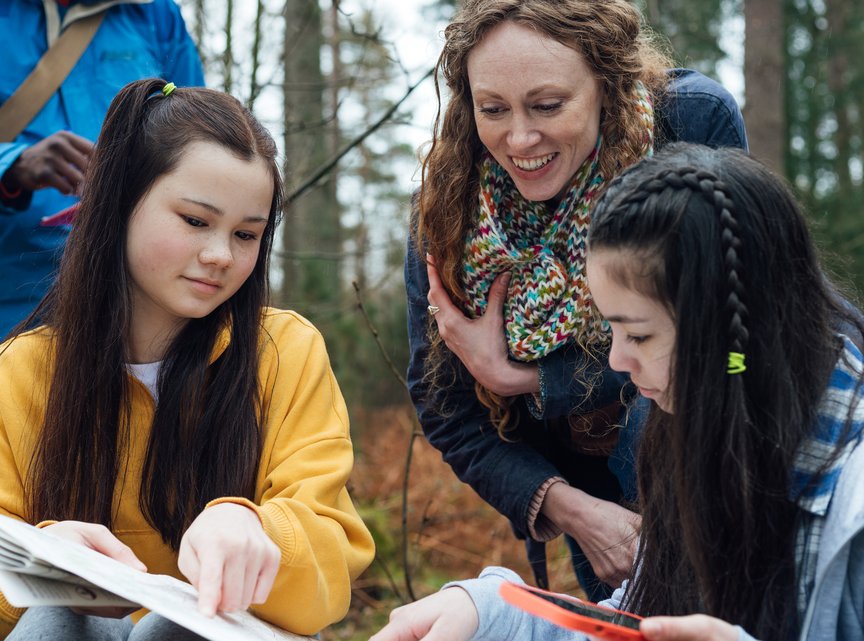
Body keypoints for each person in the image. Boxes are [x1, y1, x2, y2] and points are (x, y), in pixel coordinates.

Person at [377, 142, 864, 641]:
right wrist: (491, 612)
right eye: (611, 329)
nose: (615, 361)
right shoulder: (709, 432)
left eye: (640, 333)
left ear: (734, 331)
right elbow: (632, 622)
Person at [0, 79, 375, 640]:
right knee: (57, 620)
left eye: (247, 234)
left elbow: (330, 545)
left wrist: (259, 529)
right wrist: (37, 568)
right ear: (120, 203)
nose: (221, 255)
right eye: (196, 221)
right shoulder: (19, 371)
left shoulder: (286, 352)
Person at [406, 0, 747, 601]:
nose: (519, 137)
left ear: (607, 82)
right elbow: (447, 412)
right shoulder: (448, 211)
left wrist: (529, 378)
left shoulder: (691, 126)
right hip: (582, 490)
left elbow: (732, 343)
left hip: (712, 450)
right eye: (493, 109)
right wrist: (576, 512)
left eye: (547, 105)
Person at [0, 0, 204, 337]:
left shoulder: (155, 13)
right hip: (13, 296)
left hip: (130, 298)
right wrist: (12, 163)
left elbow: (197, 138)